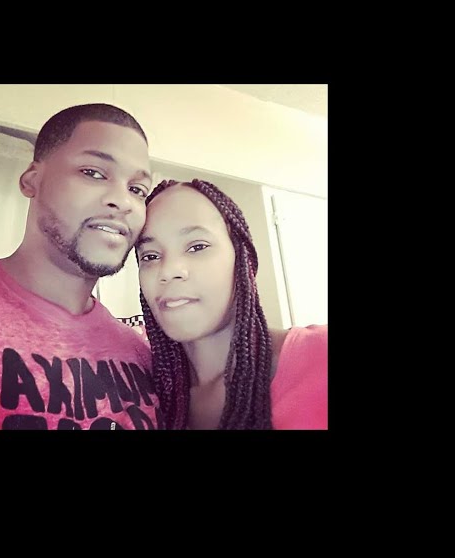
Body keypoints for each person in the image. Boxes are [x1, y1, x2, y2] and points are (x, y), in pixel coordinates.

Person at [0, 104, 163, 430]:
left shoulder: (140, 352)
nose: (123, 201)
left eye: (137, 190)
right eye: (93, 173)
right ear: (32, 180)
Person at [134, 179, 327, 429]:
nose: (168, 270)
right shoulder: (138, 390)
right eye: (150, 256)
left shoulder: (319, 356)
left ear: (243, 259)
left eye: (197, 247)